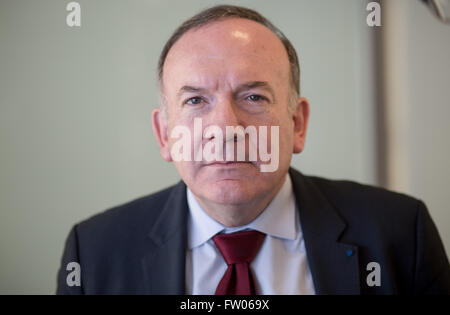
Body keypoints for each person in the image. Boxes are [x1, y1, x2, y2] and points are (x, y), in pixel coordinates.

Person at [56, 4, 450, 295]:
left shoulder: (400, 234)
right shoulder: (93, 254)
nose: (226, 129)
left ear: (297, 124)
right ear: (164, 134)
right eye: (195, 101)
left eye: (254, 97)